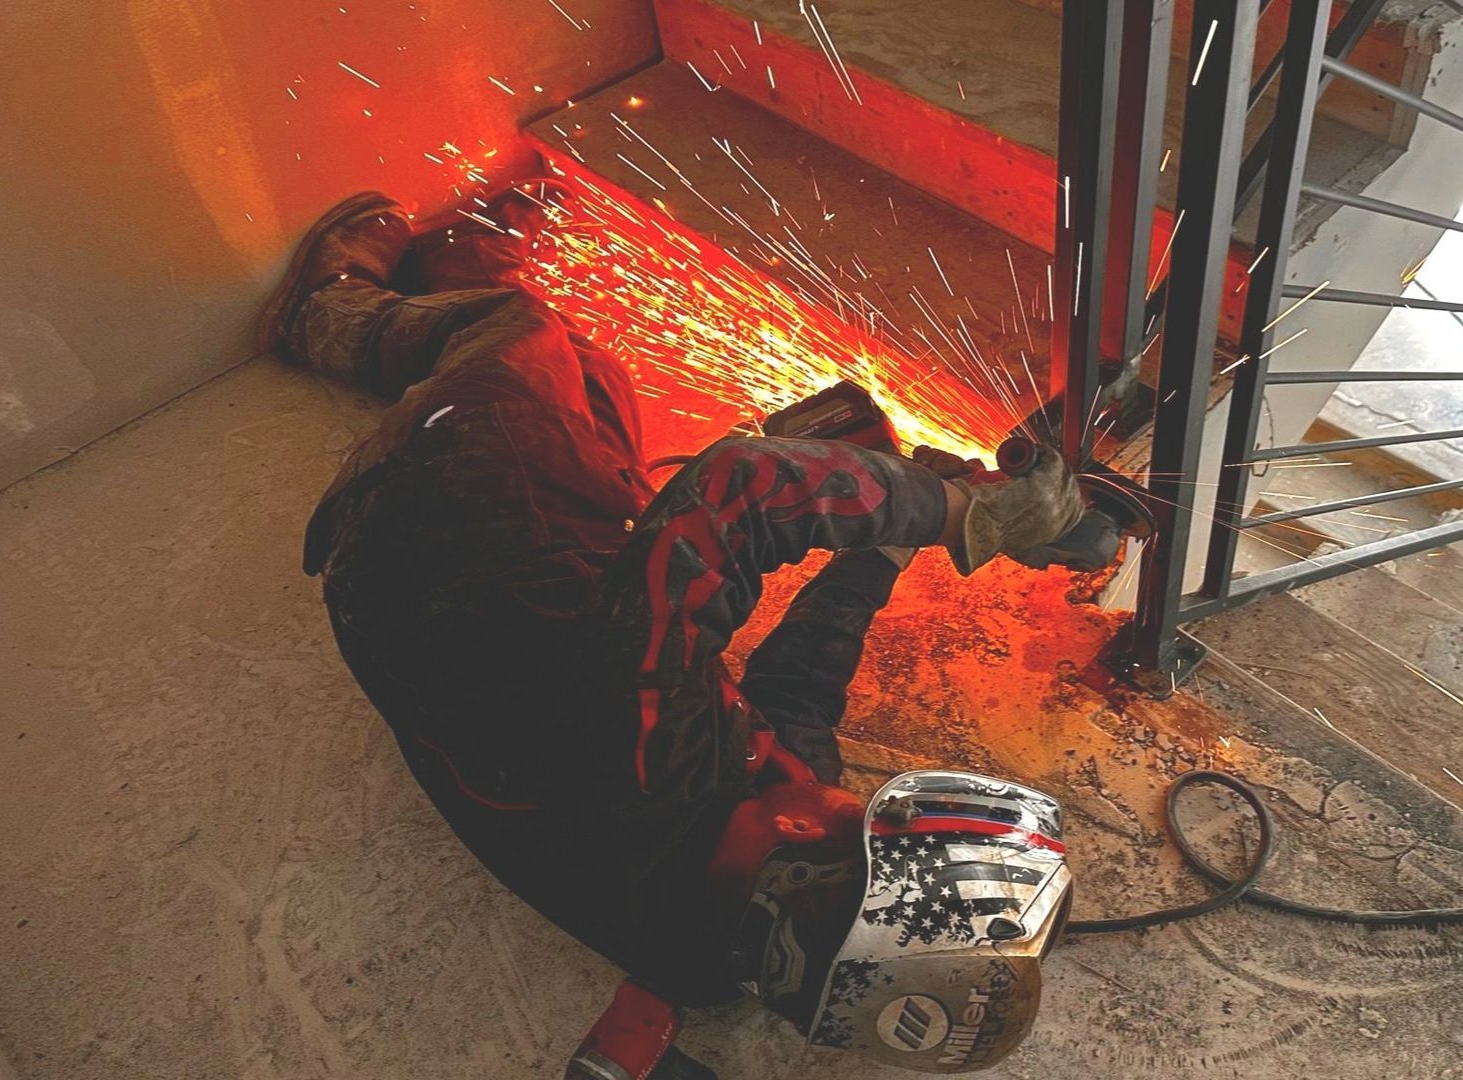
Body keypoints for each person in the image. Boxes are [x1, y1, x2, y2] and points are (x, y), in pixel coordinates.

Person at [266, 185, 1086, 1077]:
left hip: (426, 540)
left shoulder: (643, 759)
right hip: (552, 628)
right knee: (603, 391)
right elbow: (803, 687)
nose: (847, 790)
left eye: (867, 818)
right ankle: (461, 282)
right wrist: (885, 550)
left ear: (811, 835)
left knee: (526, 336)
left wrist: (959, 513)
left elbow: (733, 496)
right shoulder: (741, 927)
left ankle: (334, 308)